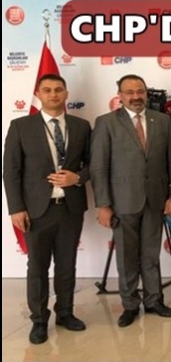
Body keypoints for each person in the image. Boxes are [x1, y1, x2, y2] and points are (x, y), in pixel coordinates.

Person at [2, 74, 91, 344]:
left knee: (67, 265)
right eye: (48, 90)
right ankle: (39, 320)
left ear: (66, 94)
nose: (53, 94)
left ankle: (65, 313)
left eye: (58, 90)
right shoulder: (21, 126)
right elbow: (11, 171)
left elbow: (94, 164)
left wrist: (78, 178)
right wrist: (16, 208)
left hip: (70, 208)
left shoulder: (82, 126)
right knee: (38, 267)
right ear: (39, 94)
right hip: (36, 210)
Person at [90, 74, 171, 328]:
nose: (136, 96)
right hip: (122, 202)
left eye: (140, 91)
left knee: (151, 255)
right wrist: (103, 204)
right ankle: (130, 305)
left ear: (146, 93)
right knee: (126, 258)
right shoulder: (106, 122)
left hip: (155, 200)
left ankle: (154, 301)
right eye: (129, 92)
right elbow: (99, 167)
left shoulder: (162, 121)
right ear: (120, 95)